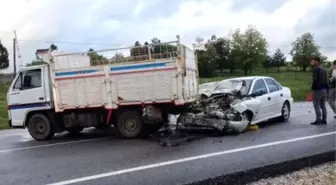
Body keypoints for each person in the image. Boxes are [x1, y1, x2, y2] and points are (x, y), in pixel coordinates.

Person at [310, 56, 329, 125]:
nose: (311, 63)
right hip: (324, 89)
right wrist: (327, 89)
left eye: (312, 61)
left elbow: (315, 80)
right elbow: (327, 80)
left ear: (316, 61)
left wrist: (312, 88)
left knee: (316, 105)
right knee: (323, 105)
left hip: (317, 89)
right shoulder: (324, 69)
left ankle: (318, 119)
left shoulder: (315, 69)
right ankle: (324, 119)